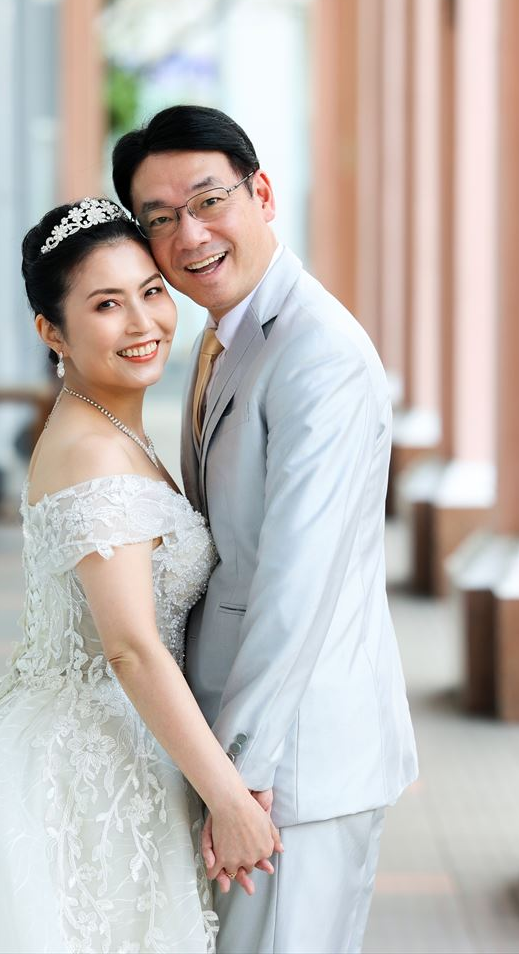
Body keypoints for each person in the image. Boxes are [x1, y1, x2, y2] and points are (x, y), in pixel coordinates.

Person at [0, 198, 280, 954]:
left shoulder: (110, 423)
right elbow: (130, 648)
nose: (142, 322)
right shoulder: (93, 450)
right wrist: (228, 798)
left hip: (116, 741)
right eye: (106, 304)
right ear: (51, 331)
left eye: (151, 291)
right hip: (86, 769)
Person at [112, 106, 419, 954]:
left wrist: (237, 782)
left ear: (263, 194)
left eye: (209, 201)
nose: (190, 235)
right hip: (249, 750)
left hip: (294, 763)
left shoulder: (318, 354)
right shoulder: (227, 339)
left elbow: (294, 586)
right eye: (160, 219)